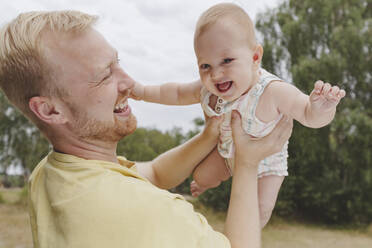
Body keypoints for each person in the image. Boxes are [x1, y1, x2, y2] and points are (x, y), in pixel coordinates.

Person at [0, 10, 293, 248]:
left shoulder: (54, 173)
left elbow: (153, 173)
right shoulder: (140, 211)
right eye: (105, 75)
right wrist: (247, 164)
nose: (128, 82)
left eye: (118, 63)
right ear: (50, 109)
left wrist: (210, 134)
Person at [131, 3, 346, 228]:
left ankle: (243, 237)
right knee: (201, 177)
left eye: (226, 61)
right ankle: (207, 185)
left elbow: (308, 115)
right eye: (205, 65)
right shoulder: (207, 90)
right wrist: (142, 92)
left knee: (259, 211)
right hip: (227, 154)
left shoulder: (271, 91)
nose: (216, 73)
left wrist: (322, 109)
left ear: (255, 57)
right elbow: (175, 93)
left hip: (266, 163)